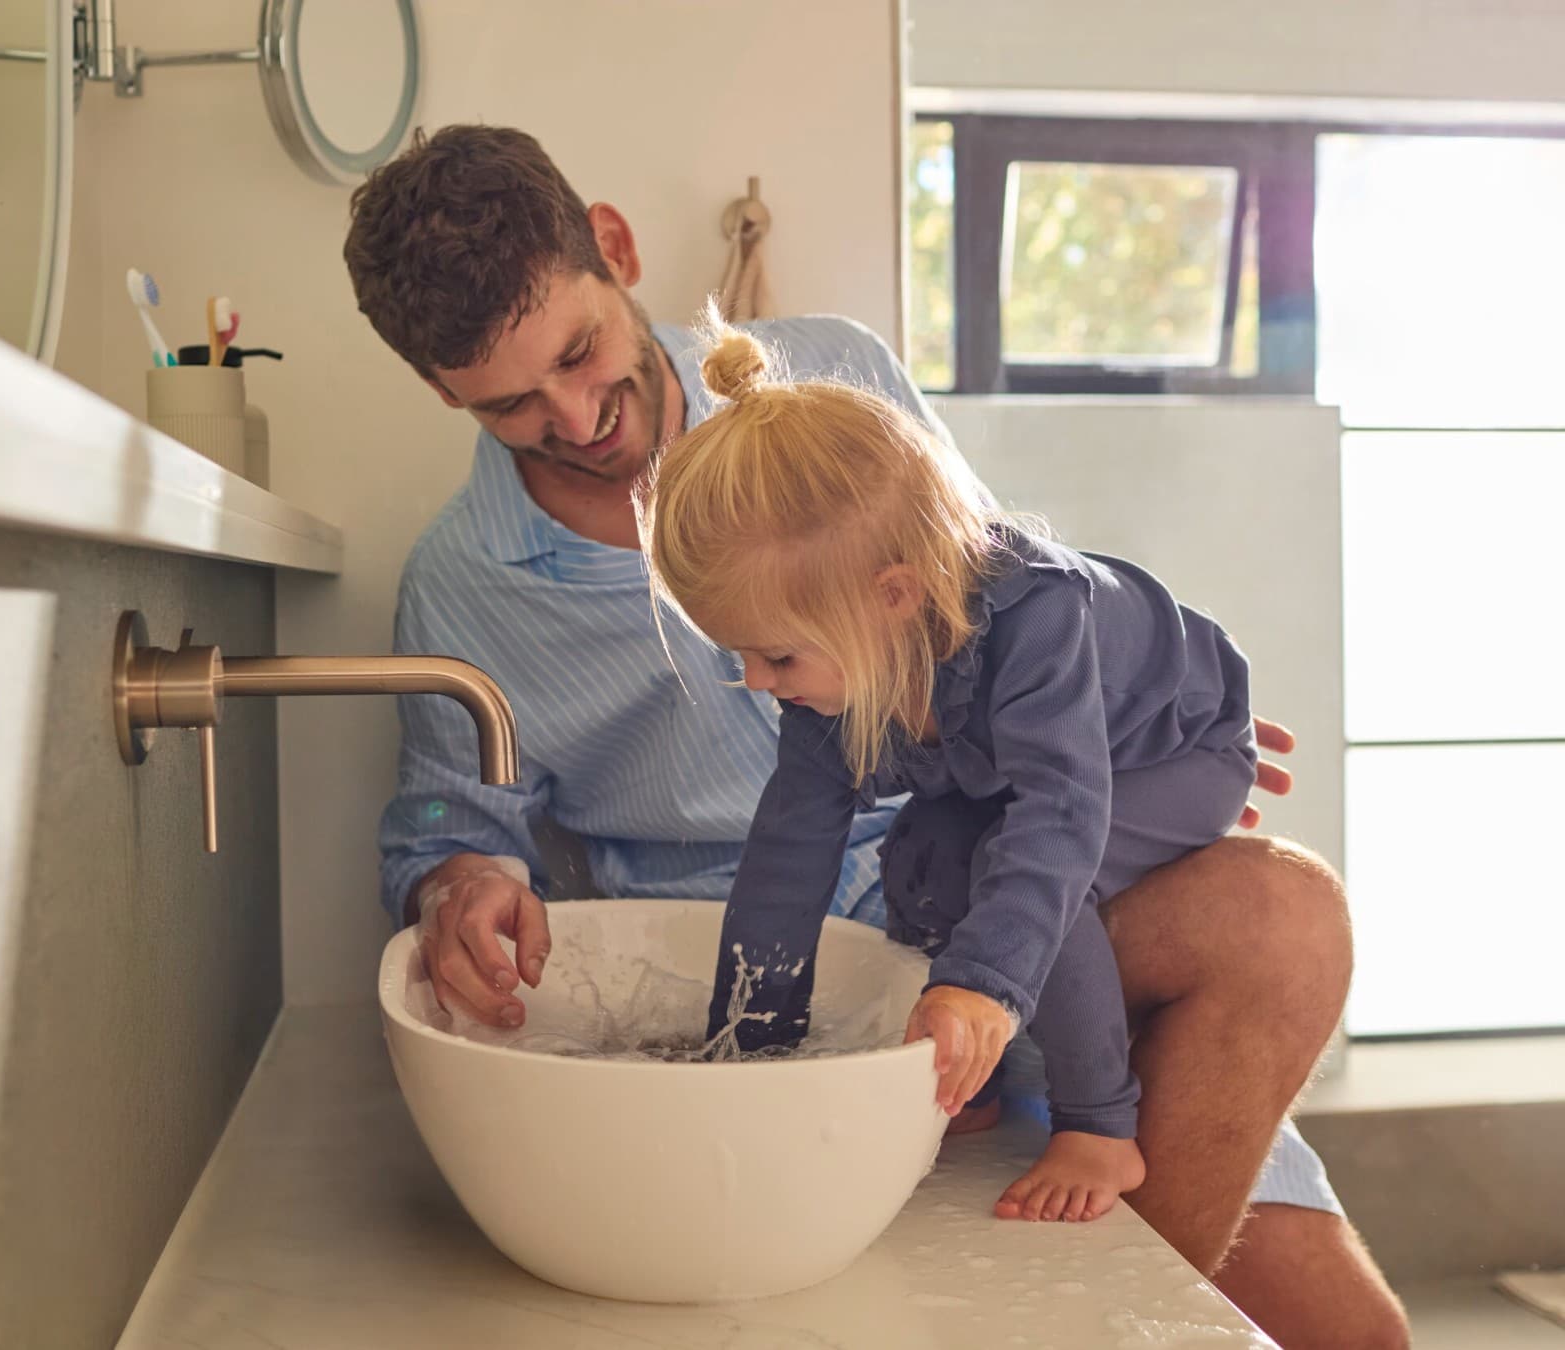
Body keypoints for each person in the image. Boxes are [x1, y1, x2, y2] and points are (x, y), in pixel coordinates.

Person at [344, 124, 1409, 1347]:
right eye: (512, 405)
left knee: (1290, 947)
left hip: (1004, 900)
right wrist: (459, 877)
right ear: (446, 393)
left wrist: (1127, 718)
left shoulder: (834, 373)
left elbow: (982, 607)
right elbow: (448, 812)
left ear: (615, 249)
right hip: (795, 970)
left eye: (580, 354)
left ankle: (1092, 1162)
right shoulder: (459, 585)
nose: (577, 416)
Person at [638, 318, 1260, 1224]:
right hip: (1029, 768)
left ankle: (1099, 1125)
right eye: (743, 656)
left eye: (776, 656)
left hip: (1175, 753)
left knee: (1022, 869)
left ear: (893, 596)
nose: (758, 682)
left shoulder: (1040, 619)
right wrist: (746, 1048)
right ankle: (971, 1087)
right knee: (921, 861)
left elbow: (1059, 819)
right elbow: (786, 856)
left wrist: (983, 986)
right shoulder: (834, 674)